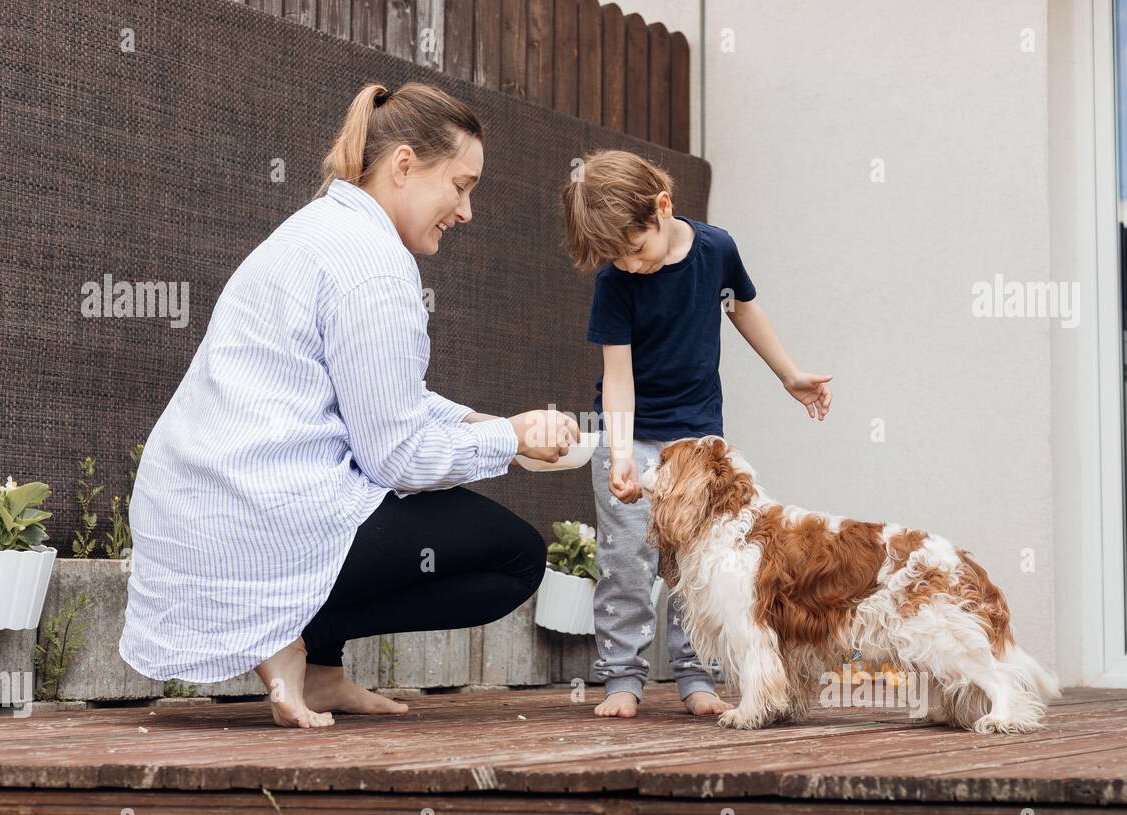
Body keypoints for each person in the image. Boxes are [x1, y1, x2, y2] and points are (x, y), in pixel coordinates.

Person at [121, 81, 579, 728]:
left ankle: (322, 670)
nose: (467, 210)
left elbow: (376, 395)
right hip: (251, 521)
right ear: (403, 166)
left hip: (198, 513)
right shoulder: (377, 269)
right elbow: (396, 456)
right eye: (461, 185)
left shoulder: (318, 226)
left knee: (348, 482)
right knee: (514, 556)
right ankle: (284, 637)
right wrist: (509, 442)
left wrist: (479, 422)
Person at [560, 149, 833, 719]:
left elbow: (744, 311)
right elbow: (618, 377)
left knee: (699, 564)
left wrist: (789, 374)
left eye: (635, 249)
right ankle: (622, 677)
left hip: (699, 448)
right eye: (617, 258)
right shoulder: (616, 281)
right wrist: (618, 455)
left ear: (662, 207)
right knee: (627, 563)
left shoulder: (716, 250)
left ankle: (697, 674)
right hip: (633, 437)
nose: (630, 266)